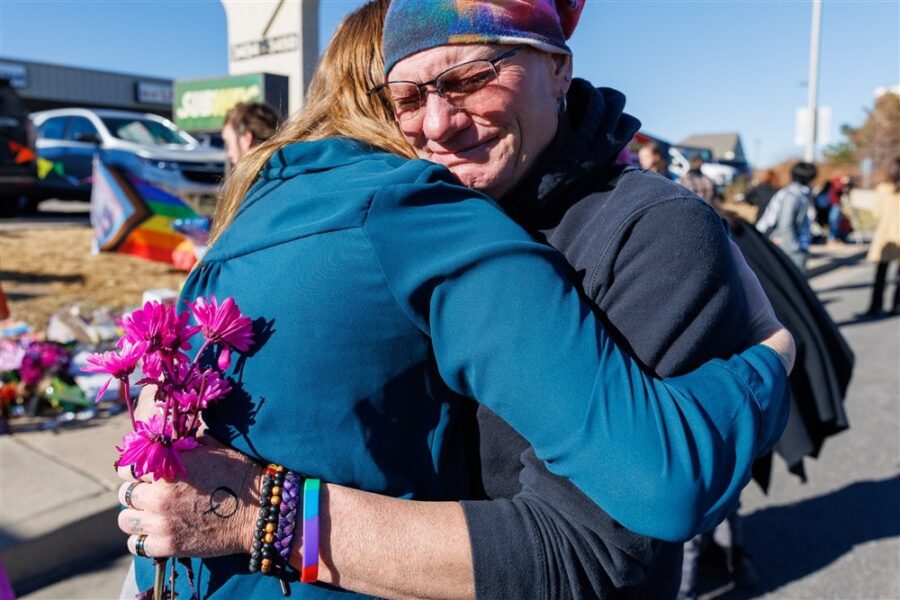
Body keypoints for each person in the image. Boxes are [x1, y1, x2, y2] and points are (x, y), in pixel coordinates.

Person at [118, 3, 794, 599]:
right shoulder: (410, 210)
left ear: (559, 67)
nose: (438, 124)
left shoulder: (649, 227)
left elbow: (599, 547)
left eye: (470, 78)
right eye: (407, 97)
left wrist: (264, 514)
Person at [756, 161, 817, 272]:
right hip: (787, 246)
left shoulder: (797, 193)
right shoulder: (792, 196)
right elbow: (785, 224)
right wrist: (795, 248)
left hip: (790, 244)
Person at [864, 157, 900, 316]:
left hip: (885, 235)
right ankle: (896, 306)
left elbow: (876, 213)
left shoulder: (883, 189)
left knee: (880, 274)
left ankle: (875, 306)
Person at [221, 101, 281, 168]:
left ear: (246, 138)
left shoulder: (261, 173)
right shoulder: (284, 164)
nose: (229, 154)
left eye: (228, 144)